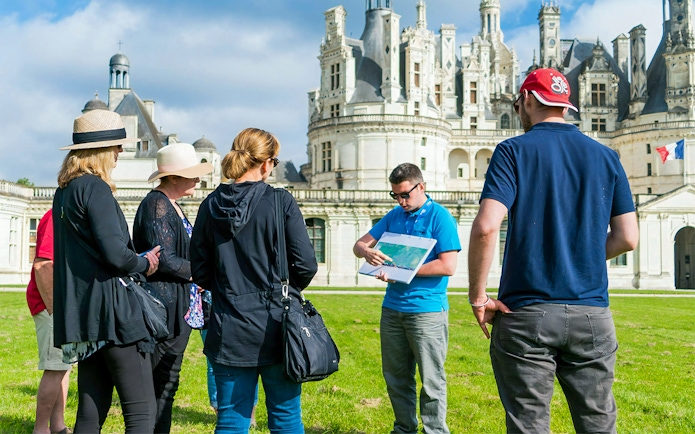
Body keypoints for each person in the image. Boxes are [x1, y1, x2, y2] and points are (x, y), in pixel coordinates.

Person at [467, 68, 639, 433]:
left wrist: (478, 297)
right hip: (592, 314)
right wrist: (583, 256)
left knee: (528, 424)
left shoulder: (512, 151)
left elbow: (485, 227)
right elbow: (627, 238)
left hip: (526, 312)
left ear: (528, 100)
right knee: (598, 423)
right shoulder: (607, 157)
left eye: (518, 104)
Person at [190, 127, 318, 434]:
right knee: (286, 418)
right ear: (265, 163)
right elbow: (306, 264)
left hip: (229, 323)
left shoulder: (210, 205)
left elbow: (200, 268)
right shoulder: (279, 201)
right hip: (277, 323)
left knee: (232, 420)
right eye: (274, 162)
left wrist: (226, 287)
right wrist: (284, 287)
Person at [52, 109, 162, 433]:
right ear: (101, 150)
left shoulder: (64, 192)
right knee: (142, 412)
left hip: (83, 316)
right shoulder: (96, 189)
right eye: (116, 146)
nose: (120, 152)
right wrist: (146, 263)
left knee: (89, 413)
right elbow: (116, 255)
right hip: (114, 315)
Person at [353, 163, 461, 434]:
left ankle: (435, 431)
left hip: (427, 310)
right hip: (392, 309)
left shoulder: (441, 218)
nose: (400, 201)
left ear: (420, 187)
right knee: (396, 378)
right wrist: (367, 253)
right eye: (395, 196)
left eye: (404, 195)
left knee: (431, 380)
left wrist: (402, 272)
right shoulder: (393, 215)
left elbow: (448, 266)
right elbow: (359, 245)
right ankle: (404, 429)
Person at [132, 142, 213, 433]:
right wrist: (202, 274)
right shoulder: (157, 204)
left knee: (167, 383)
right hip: (163, 308)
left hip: (177, 307)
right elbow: (164, 258)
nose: (197, 180)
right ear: (175, 177)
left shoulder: (172, 205)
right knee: (160, 383)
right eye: (192, 174)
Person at [26, 209, 72, 434]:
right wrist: (55, 309)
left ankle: (58, 425)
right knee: (55, 367)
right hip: (50, 303)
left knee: (64, 366)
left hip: (64, 305)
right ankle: (40, 429)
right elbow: (42, 265)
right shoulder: (57, 215)